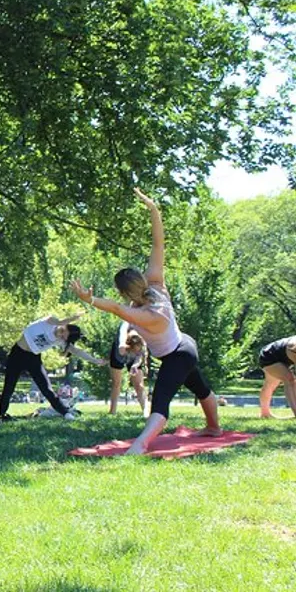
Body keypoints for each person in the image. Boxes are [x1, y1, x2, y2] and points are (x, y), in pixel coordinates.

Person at [70, 189, 222, 454]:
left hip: (178, 353)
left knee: (161, 401)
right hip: (184, 345)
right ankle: (214, 428)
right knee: (199, 387)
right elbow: (158, 245)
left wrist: (89, 299)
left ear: (123, 291)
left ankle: (140, 445)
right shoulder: (155, 283)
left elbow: (117, 309)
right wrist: (153, 209)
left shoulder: (145, 314)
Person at [0, 313, 105, 421]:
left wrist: (94, 360)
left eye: (63, 337)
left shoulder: (59, 340)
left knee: (47, 389)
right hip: (17, 355)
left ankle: (66, 413)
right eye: (62, 331)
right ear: (65, 325)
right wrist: (71, 318)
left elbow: (77, 351)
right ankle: (1, 415)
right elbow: (59, 322)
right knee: (9, 387)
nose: (60, 335)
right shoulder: (50, 322)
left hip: (33, 358)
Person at [107, 322, 149, 415]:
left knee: (139, 385)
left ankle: (146, 411)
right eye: (134, 350)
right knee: (116, 383)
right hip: (119, 354)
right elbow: (122, 332)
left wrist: (135, 365)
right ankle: (112, 411)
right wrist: (122, 345)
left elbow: (140, 356)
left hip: (132, 353)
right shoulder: (125, 326)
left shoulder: (142, 340)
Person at [257, 336, 296, 418]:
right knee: (289, 379)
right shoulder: (293, 346)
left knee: (270, 384)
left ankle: (265, 414)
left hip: (282, 357)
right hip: (268, 356)